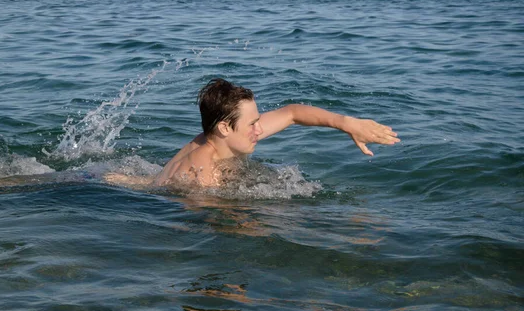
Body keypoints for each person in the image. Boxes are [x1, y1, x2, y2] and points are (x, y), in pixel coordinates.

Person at [104, 78, 400, 188]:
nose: (261, 128)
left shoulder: (225, 138)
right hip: (113, 188)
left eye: (258, 120)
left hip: (134, 178)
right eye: (252, 124)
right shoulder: (203, 171)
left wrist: (348, 123)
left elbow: (292, 113)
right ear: (224, 128)